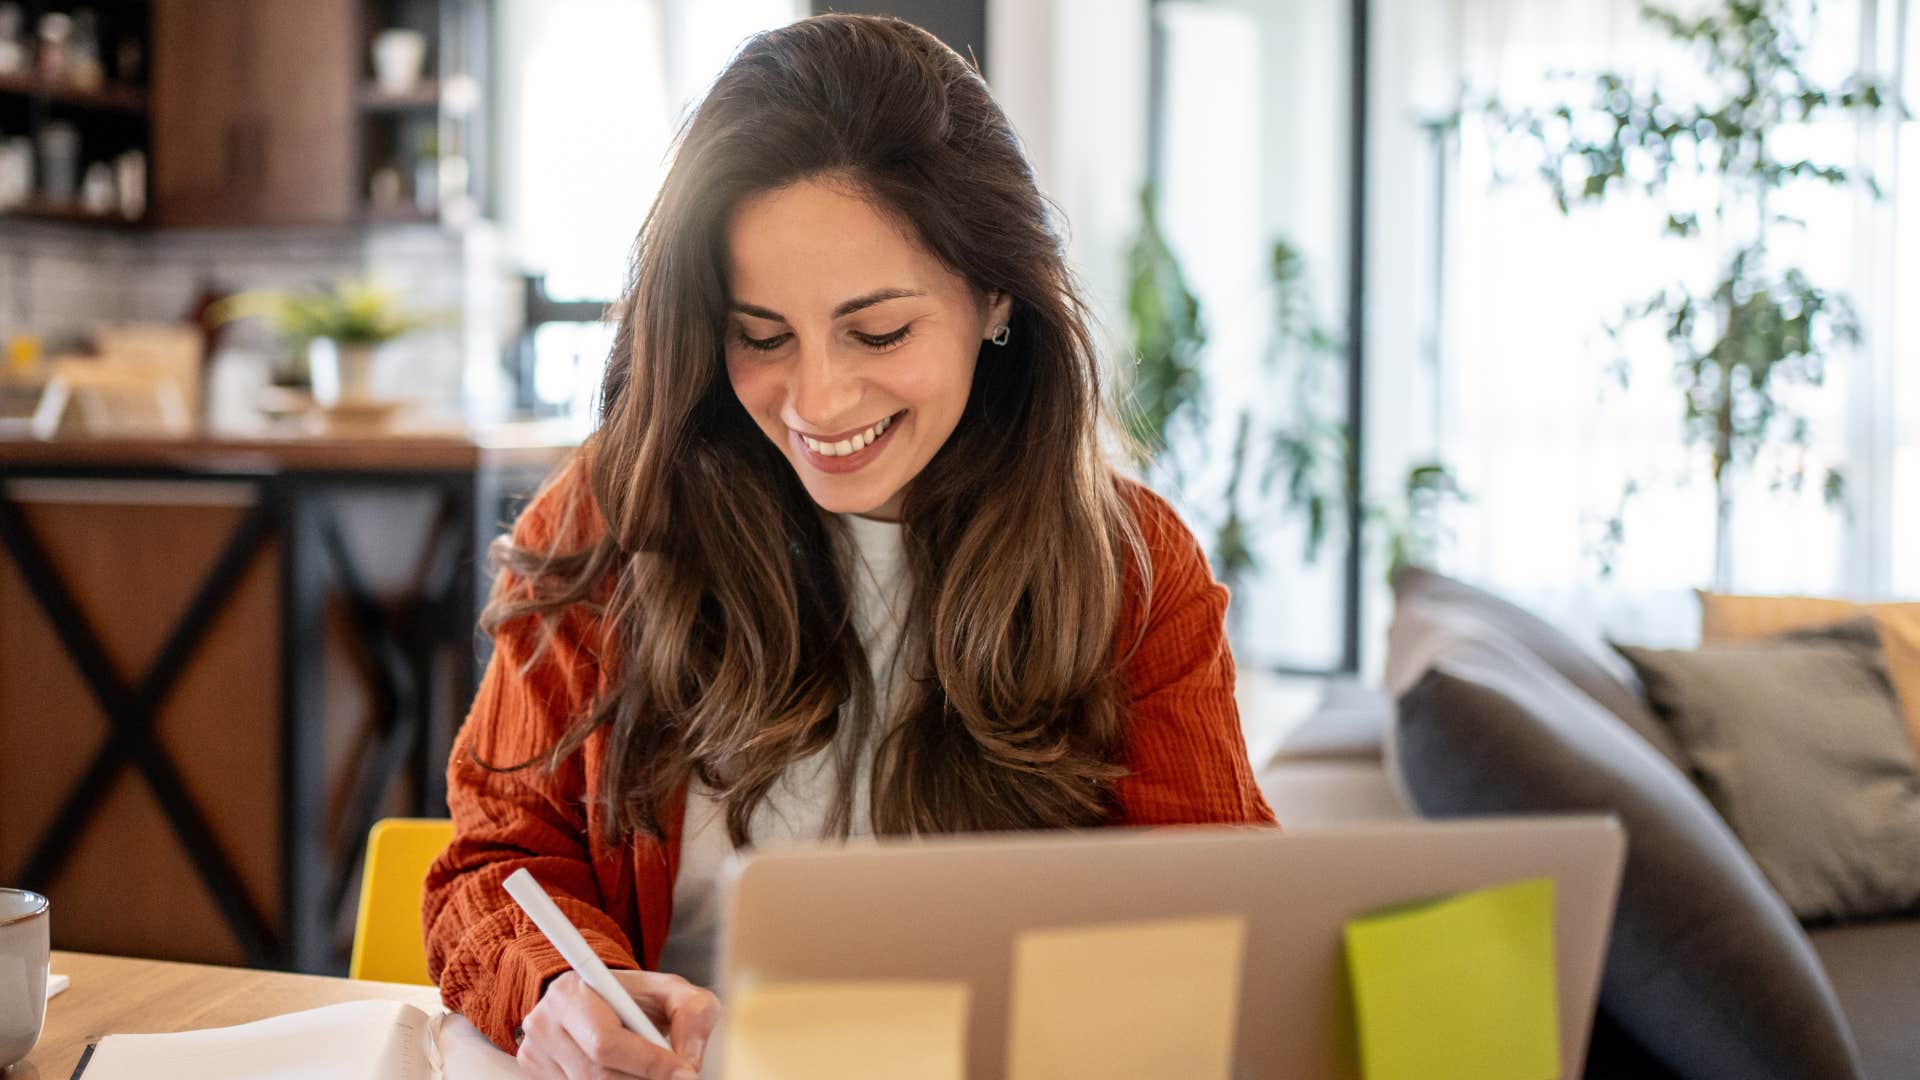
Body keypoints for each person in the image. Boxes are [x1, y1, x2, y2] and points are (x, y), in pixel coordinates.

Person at [423, 12, 1276, 1079]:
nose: (817, 400)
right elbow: (496, 863)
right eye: (761, 336)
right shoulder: (614, 517)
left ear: (996, 297)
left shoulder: (1132, 572)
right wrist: (558, 990)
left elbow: (1226, 924)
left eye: (880, 333)